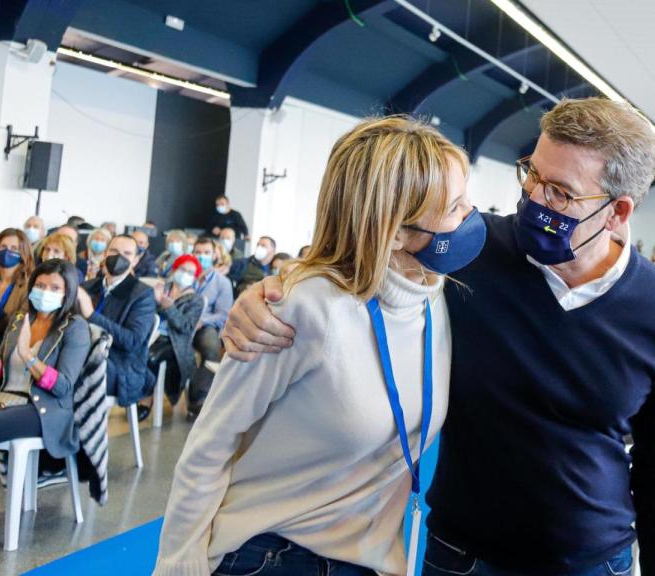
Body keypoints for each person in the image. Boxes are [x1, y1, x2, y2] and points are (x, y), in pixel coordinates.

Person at [223, 98, 655, 574]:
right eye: (531, 173)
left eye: (560, 193)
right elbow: (357, 262)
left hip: (591, 561)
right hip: (462, 556)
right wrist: (270, 290)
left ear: (618, 212)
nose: (534, 198)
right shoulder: (467, 250)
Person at [156, 116, 479, 576]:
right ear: (396, 231)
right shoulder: (302, 307)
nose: (471, 216)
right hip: (274, 556)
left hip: (368, 560)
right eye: (454, 207)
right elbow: (212, 441)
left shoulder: (438, 296)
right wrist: (177, 563)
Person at [0, 259, 90, 558]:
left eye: (54, 288)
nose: (45, 292)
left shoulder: (75, 329)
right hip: (4, 398)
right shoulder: (20, 318)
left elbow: (63, 387)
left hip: (41, 410)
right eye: (40, 285)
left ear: (67, 293)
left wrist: (28, 356)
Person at [76, 235, 156, 407]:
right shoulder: (88, 286)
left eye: (127, 253)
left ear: (135, 260)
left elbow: (132, 341)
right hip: (81, 352)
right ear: (105, 254)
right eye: (114, 251)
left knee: (69, 374)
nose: (119, 257)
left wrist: (91, 314)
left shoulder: (142, 294)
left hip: (120, 366)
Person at [143, 255, 204, 421]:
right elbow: (145, 313)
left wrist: (169, 307)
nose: (186, 274)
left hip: (174, 341)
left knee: (150, 357)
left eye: (191, 272)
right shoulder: (163, 288)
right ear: (175, 269)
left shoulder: (195, 299)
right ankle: (134, 392)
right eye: (183, 269)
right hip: (151, 334)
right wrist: (155, 301)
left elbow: (185, 327)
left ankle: (146, 398)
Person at [186, 238, 233, 415]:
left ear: (215, 255)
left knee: (211, 347)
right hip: (181, 323)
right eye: (198, 252)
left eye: (206, 253)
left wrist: (202, 321)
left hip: (205, 326)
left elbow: (223, 314)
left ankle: (200, 396)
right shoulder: (184, 275)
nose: (201, 256)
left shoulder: (222, 283)